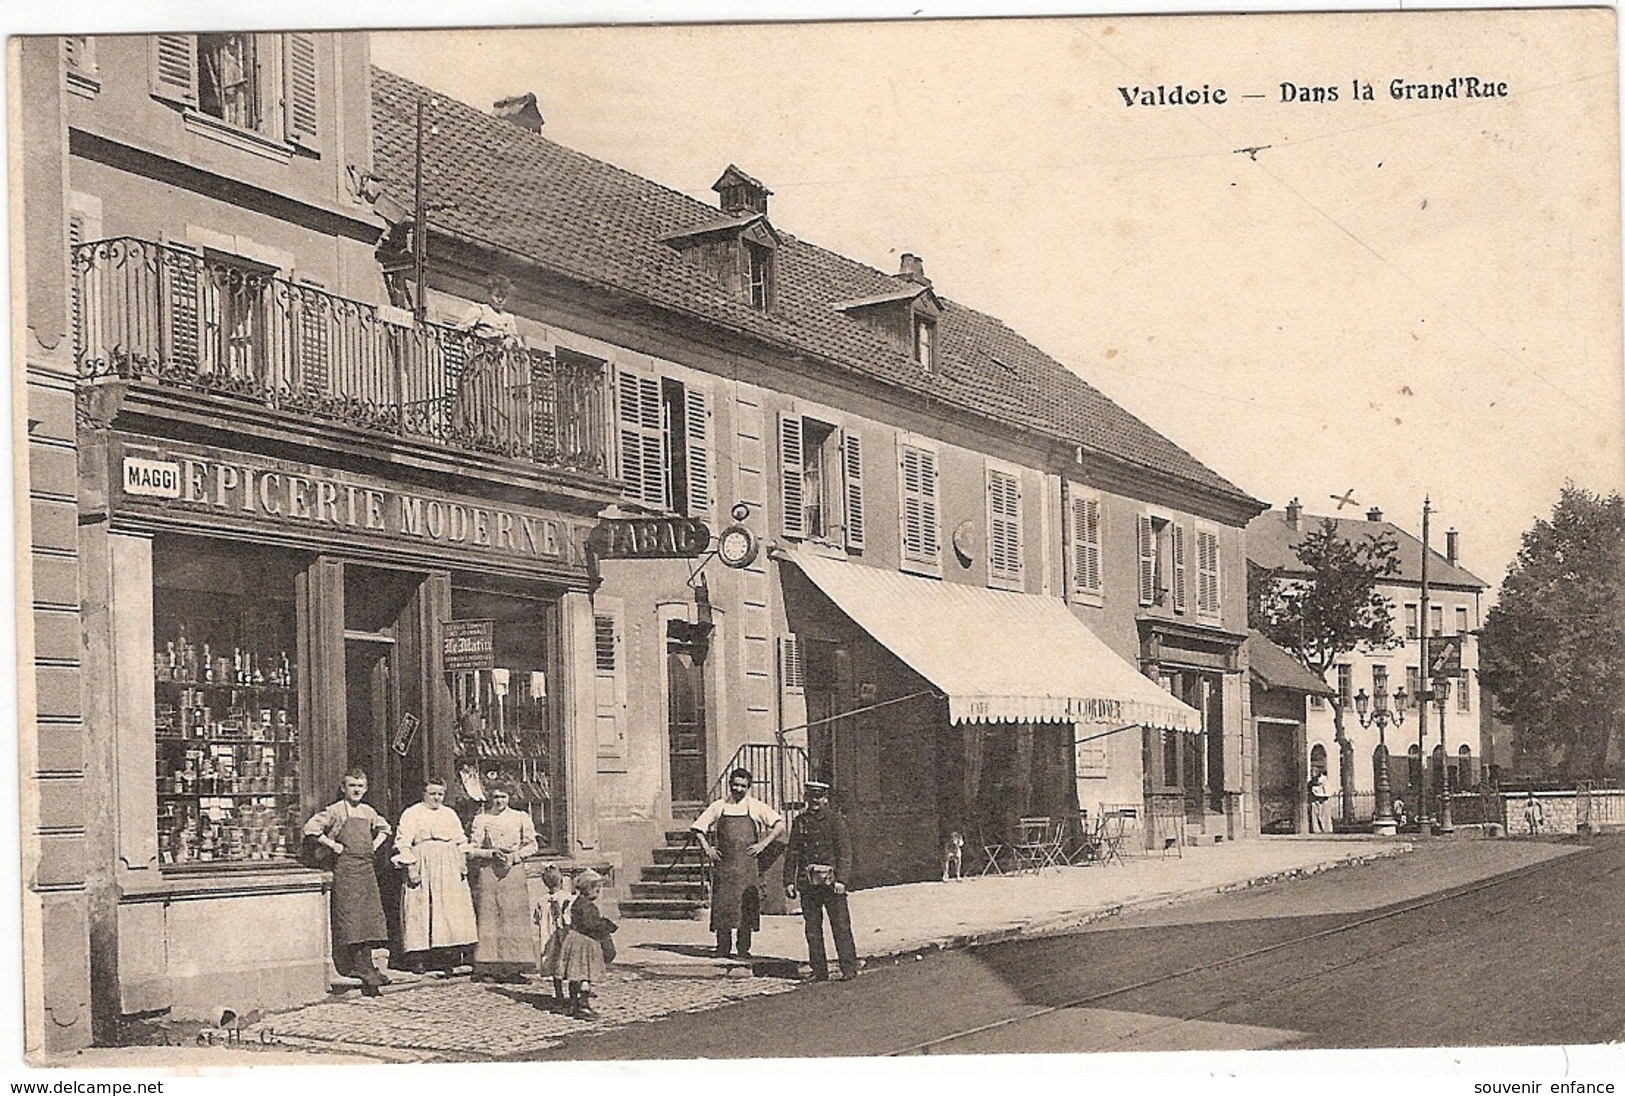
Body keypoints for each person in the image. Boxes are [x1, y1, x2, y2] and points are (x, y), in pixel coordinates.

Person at [304, 769, 392, 996]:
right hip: (346, 870)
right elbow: (311, 829)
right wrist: (333, 846)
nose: (356, 790)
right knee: (351, 918)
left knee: (368, 918)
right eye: (352, 785)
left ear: (366, 788)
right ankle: (357, 967)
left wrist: (374, 845)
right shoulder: (335, 810)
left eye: (360, 786)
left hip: (366, 869)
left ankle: (369, 966)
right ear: (344, 788)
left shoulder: (368, 811)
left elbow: (385, 828)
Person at [690, 768, 786, 959]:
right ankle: (722, 948)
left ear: (748, 787)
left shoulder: (755, 806)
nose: (738, 789)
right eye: (735, 785)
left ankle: (744, 949)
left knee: (747, 907)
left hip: (747, 866)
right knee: (723, 906)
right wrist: (708, 849)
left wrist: (763, 844)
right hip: (725, 867)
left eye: (743, 786)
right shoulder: (719, 806)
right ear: (730, 785)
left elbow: (779, 824)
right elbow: (698, 828)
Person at [391, 778, 478, 974]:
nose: (437, 797)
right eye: (432, 793)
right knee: (421, 908)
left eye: (440, 794)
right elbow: (403, 841)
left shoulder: (449, 814)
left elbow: (460, 840)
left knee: (447, 909)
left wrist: (462, 863)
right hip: (423, 863)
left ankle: (445, 956)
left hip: (448, 863)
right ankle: (418, 957)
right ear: (424, 794)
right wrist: (410, 867)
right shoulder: (412, 813)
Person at [783, 780, 859, 982]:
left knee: (841, 926)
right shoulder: (800, 822)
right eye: (811, 797)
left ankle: (849, 968)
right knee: (813, 929)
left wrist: (842, 879)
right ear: (806, 798)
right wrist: (789, 881)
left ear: (825, 799)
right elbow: (793, 852)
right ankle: (819, 971)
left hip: (832, 884)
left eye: (819, 797)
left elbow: (845, 853)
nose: (815, 801)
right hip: (808, 884)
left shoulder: (835, 820)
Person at [467, 781, 538, 983]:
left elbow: (532, 845)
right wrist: (490, 853)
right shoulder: (482, 819)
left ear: (510, 797)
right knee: (490, 915)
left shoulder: (520, 817)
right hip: (489, 870)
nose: (499, 801)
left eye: (503, 797)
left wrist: (515, 856)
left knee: (513, 917)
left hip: (513, 871)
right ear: (490, 797)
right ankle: (489, 966)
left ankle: (514, 967)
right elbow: (472, 849)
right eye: (496, 797)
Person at [558, 868, 617, 1018]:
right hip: (585, 942)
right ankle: (583, 1005)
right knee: (585, 975)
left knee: (575, 974)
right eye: (597, 890)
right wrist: (606, 927)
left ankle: (573, 1003)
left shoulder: (578, 902)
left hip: (574, 939)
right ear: (589, 889)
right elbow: (591, 925)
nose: (598, 894)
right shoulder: (588, 907)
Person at [534, 863, 572, 1008]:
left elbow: (537, 919)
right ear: (561, 881)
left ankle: (558, 993)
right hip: (562, 935)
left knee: (554, 961)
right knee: (565, 961)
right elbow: (570, 917)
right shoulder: (568, 897)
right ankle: (572, 993)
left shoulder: (541, 901)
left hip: (548, 936)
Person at [1308, 769, 1332, 834]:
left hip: (1323, 800)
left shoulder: (1324, 781)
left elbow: (1327, 792)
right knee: (1314, 815)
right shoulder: (1311, 783)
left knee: (1325, 816)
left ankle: (1327, 829)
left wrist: (1323, 797)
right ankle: (1316, 829)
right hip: (1314, 800)